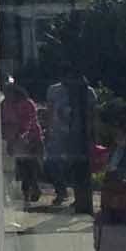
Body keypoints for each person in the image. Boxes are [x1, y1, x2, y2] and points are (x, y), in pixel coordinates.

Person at [43, 68, 96, 215]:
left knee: (77, 167)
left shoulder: (87, 91)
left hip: (78, 136)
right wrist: (48, 130)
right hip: (58, 134)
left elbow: (91, 115)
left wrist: (91, 135)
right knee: (51, 163)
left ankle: (80, 199)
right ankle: (61, 190)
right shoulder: (54, 90)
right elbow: (50, 110)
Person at [0, 77, 45, 207]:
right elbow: (0, 121)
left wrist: (20, 137)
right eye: (5, 92)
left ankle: (33, 189)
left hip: (31, 139)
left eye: (9, 92)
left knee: (31, 167)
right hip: (13, 140)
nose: (7, 95)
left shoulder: (27, 103)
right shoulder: (4, 105)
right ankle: (27, 193)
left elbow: (28, 123)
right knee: (22, 168)